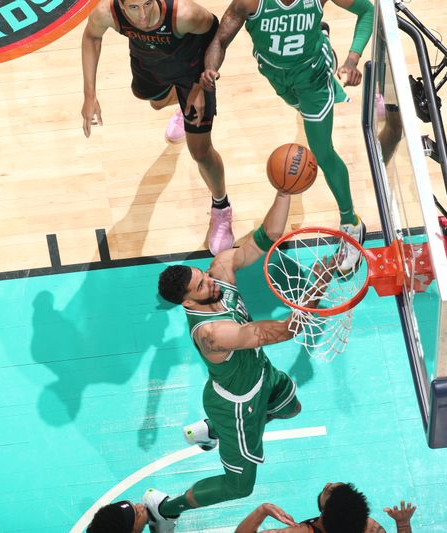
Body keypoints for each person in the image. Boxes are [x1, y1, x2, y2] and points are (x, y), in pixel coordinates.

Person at [141, 188, 337, 532]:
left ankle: (210, 431)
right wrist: (318, 282)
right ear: (187, 302)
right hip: (238, 404)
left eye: (203, 276)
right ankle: (165, 510)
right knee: (239, 485)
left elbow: (266, 236)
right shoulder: (211, 334)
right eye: (201, 287)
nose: (210, 283)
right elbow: (279, 332)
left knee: (291, 409)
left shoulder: (218, 273)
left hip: (261, 375)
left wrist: (283, 190)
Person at [201, 0, 375, 273]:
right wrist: (210, 68)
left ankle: (351, 222)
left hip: (314, 77)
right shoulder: (249, 3)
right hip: (277, 76)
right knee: (299, 107)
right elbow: (220, 40)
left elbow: (368, 10)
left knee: (322, 152)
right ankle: (321, 35)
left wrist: (352, 60)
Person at [80, 0, 235, 254]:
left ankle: (221, 207)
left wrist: (198, 86)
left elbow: (215, 36)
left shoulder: (184, 14)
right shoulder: (107, 13)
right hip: (150, 67)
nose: (143, 16)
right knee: (154, 103)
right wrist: (89, 96)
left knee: (200, 153)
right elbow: (91, 37)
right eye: (133, 8)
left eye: (148, 4)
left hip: (192, 74)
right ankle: (180, 106)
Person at [234, 482, 417, 533]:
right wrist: (402, 525)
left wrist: (263, 509)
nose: (328, 483)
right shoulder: (369, 527)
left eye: (327, 490)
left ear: (325, 512)